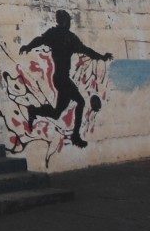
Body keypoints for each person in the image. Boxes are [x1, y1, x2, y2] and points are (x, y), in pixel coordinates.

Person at [20, 9, 112, 148]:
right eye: (67, 20)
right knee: (80, 101)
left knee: (57, 113)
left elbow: (40, 40)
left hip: (59, 78)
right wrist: (102, 57)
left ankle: (34, 110)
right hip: (62, 78)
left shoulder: (58, 35)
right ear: (65, 21)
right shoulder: (67, 37)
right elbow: (86, 50)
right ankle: (75, 136)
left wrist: (28, 46)